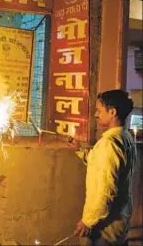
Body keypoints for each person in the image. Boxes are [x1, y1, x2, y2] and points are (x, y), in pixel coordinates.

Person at [67, 90, 137, 245]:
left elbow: (106, 191)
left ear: (112, 112)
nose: (95, 115)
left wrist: (88, 221)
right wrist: (80, 149)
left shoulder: (110, 143)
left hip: (105, 227)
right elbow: (102, 165)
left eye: (99, 110)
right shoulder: (125, 137)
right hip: (118, 220)